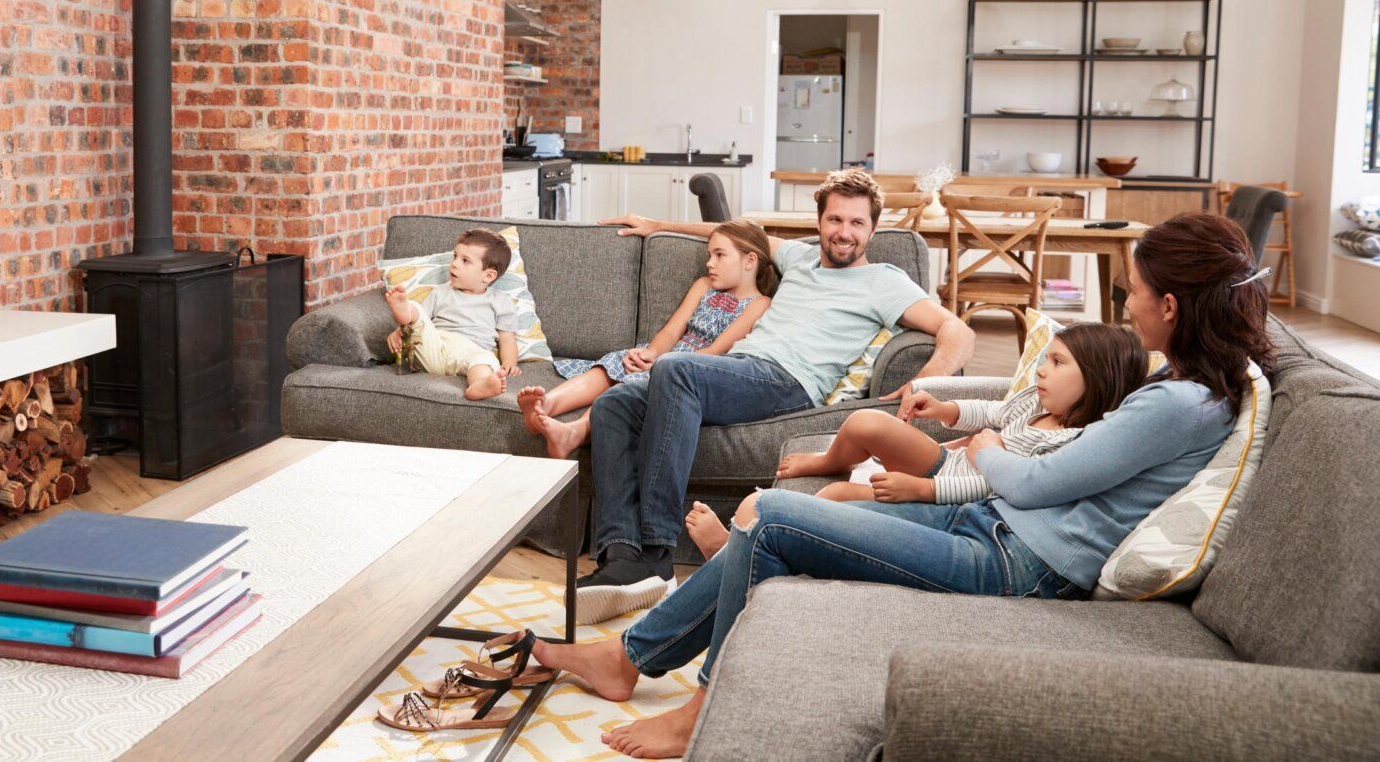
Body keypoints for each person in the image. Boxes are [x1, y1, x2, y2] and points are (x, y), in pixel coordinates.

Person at [530, 211, 1270, 759]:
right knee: (781, 528)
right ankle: (630, 658)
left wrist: (985, 452)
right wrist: (983, 448)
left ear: (1171, 306)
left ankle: (700, 702)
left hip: (1017, 560)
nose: (1128, 301)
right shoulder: (1185, 385)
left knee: (774, 521)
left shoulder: (1179, 403)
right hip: (992, 527)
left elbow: (1044, 481)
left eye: (1135, 291)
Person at [576, 168, 976, 624]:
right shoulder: (799, 257)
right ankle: (621, 556)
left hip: (787, 382)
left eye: (857, 223)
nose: (844, 232)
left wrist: (925, 380)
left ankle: (656, 553)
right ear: (819, 221)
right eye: (835, 220)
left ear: (872, 228)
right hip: (733, 372)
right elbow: (732, 233)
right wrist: (657, 224)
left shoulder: (886, 281)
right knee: (613, 404)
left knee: (675, 369)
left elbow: (957, 330)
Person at [684, 321, 1148, 557]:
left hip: (950, 497)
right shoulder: (1036, 402)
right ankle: (831, 458)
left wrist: (922, 490)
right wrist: (947, 411)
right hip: (944, 465)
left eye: (1059, 364)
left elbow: (995, 488)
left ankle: (732, 551)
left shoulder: (1069, 443)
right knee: (868, 423)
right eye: (1045, 359)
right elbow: (993, 412)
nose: (1042, 370)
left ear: (1098, 379)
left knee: (838, 497)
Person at [518, 219, 777, 459]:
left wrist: (661, 365)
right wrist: (650, 354)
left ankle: (573, 432)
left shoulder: (760, 304)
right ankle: (546, 406)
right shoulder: (703, 285)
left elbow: (716, 351)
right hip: (667, 354)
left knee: (634, 382)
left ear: (749, 260)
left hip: (693, 368)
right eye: (710, 255)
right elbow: (671, 332)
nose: (710, 263)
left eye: (719, 255)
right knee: (616, 362)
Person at [384, 229, 521, 401]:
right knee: (416, 310)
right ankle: (404, 310)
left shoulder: (500, 301)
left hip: (472, 351)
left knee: (486, 361)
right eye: (455, 256)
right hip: (437, 347)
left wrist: (510, 362)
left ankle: (479, 385)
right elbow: (420, 324)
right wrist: (399, 331)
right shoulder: (440, 293)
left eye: (465, 261)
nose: (454, 264)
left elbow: (507, 338)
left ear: (488, 276)